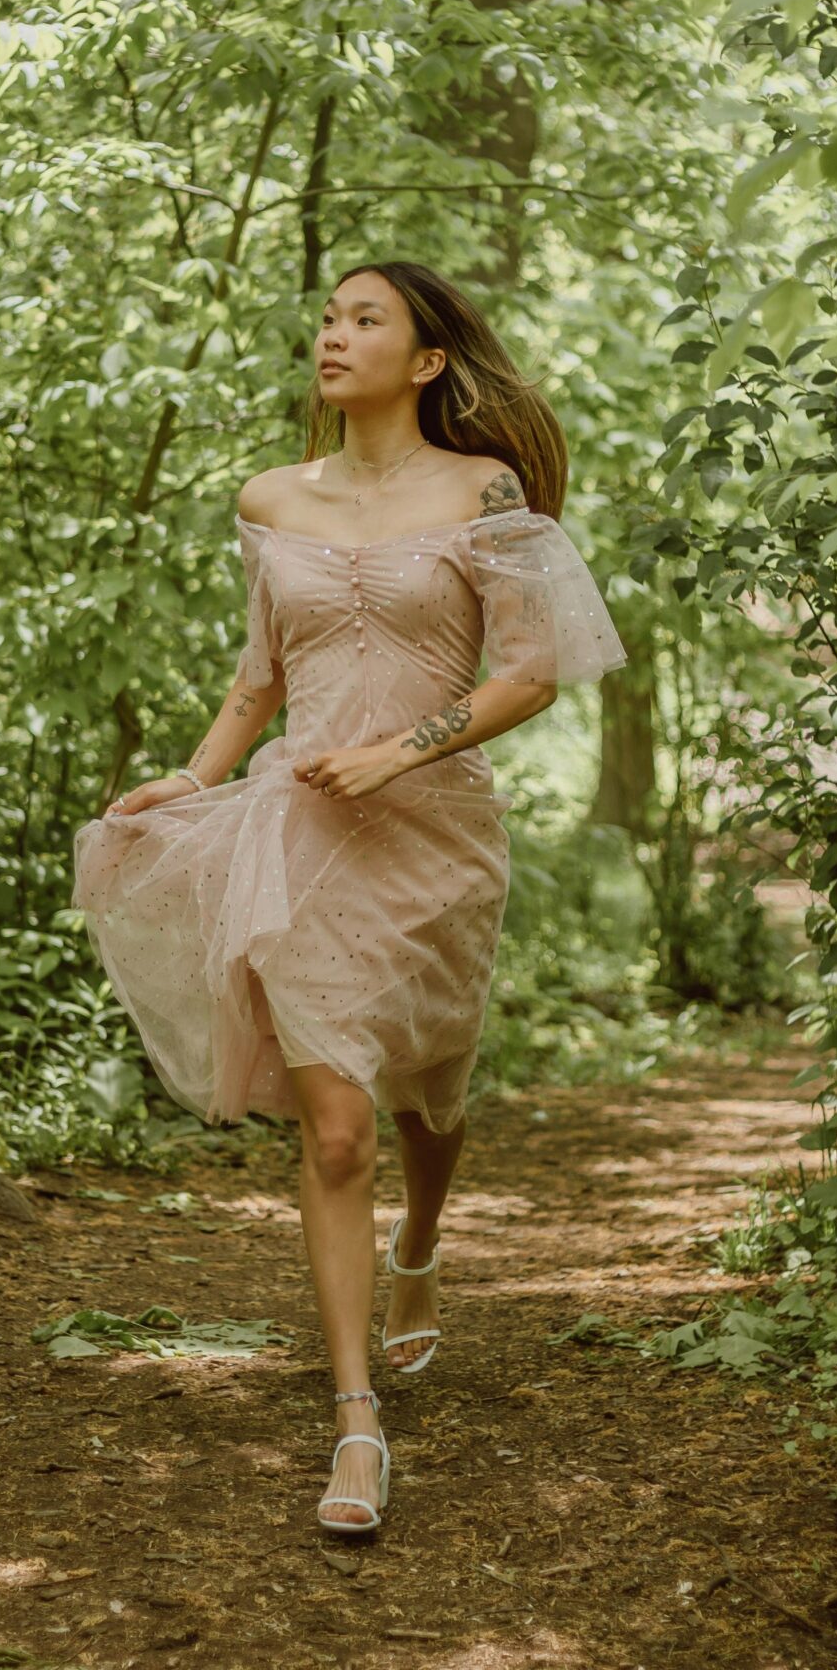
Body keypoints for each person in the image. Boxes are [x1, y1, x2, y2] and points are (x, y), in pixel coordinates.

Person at [72, 260, 624, 1535]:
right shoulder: (268, 496)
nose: (332, 332)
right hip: (301, 832)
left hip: (434, 836)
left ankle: (419, 1250)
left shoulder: (483, 491)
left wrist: (401, 748)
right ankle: (354, 1419)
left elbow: (532, 673)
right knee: (332, 1128)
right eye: (326, 315)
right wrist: (192, 778)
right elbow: (257, 678)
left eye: (364, 318)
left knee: (429, 1088)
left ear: (426, 361)